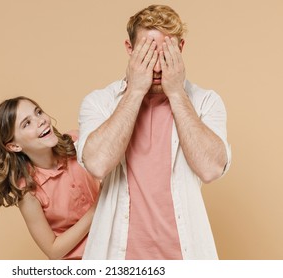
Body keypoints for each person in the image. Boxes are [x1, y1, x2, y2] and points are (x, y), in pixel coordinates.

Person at [76, 4, 231, 259]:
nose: (157, 67)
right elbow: (98, 163)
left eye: (165, 54)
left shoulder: (206, 102)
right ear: (129, 49)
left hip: (186, 256)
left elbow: (211, 168)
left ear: (180, 49)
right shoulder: (99, 102)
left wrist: (177, 93)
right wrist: (135, 91)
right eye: (147, 54)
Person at [0, 96, 100, 260]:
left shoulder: (76, 141)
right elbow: (53, 250)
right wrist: (97, 210)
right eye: (26, 123)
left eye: (38, 112)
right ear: (14, 146)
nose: (40, 120)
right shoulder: (28, 191)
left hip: (117, 245)